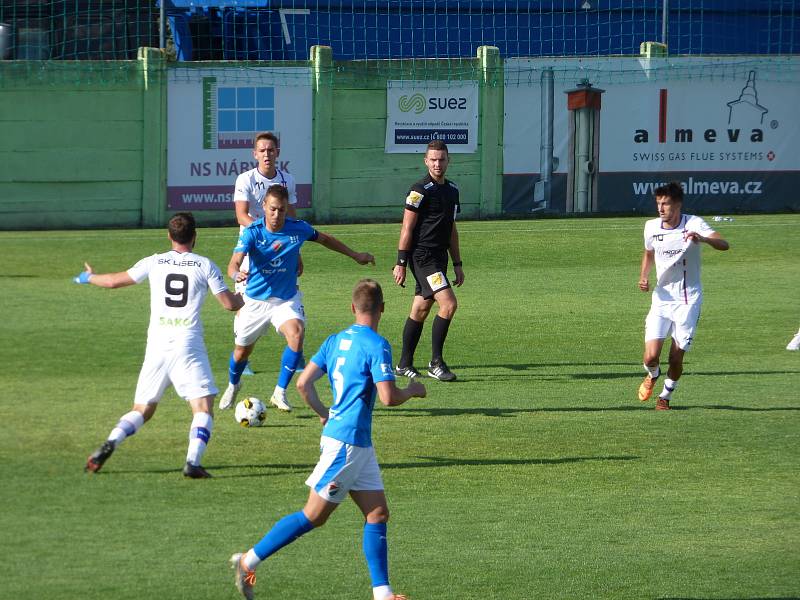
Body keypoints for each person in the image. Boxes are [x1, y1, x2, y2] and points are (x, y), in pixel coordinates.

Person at [228, 278, 426, 600]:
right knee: (313, 516)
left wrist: (325, 412)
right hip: (346, 445)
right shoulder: (378, 345)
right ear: (383, 309)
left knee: (377, 513)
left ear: (352, 307)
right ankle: (248, 562)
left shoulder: (334, 341)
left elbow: (303, 383)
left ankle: (383, 594)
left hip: (357, 444)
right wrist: (413, 390)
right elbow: (388, 397)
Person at [77, 212, 244, 478]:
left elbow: (112, 282)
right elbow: (228, 304)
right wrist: (241, 297)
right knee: (202, 408)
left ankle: (111, 442)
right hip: (187, 344)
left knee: (142, 409)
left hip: (156, 345)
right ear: (195, 237)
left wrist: (88, 277)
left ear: (169, 236)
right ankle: (192, 462)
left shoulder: (154, 262)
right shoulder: (204, 265)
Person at [218, 184, 376, 414]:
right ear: (263, 206)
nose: (276, 214)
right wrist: (236, 273)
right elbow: (233, 262)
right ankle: (234, 384)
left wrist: (355, 255)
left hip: (285, 299)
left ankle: (279, 392)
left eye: (281, 210)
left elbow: (325, 239)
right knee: (242, 352)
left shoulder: (298, 228)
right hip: (255, 301)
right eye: (272, 209)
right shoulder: (253, 231)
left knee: (297, 333)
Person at [637, 182, 730, 410]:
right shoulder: (651, 227)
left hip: (688, 301)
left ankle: (665, 396)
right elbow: (649, 252)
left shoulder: (694, 223)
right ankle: (653, 374)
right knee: (650, 358)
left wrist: (704, 239)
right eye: (658, 203)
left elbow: (724, 244)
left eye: (666, 203)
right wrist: (644, 276)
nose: (661, 208)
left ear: (678, 204)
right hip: (662, 299)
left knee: (676, 358)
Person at [392, 139, 464, 382]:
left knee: (421, 309)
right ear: (426, 161)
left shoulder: (452, 190)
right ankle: (436, 362)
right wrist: (401, 263)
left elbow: (452, 229)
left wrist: (457, 263)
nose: (437, 164)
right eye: (433, 159)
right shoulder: (419, 191)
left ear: (448, 160)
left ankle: (403, 364)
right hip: (422, 258)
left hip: (440, 258)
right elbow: (406, 228)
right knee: (449, 303)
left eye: (441, 159)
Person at [234, 131, 301, 376]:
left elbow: (291, 215)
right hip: (252, 247)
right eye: (262, 150)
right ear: (255, 154)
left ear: (278, 153)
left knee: (287, 294)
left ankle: (295, 352)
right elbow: (241, 214)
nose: (266, 154)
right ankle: (243, 358)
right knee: (246, 299)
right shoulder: (245, 179)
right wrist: (263, 234)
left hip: (283, 247)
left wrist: (297, 249)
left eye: (271, 150)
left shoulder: (288, 180)